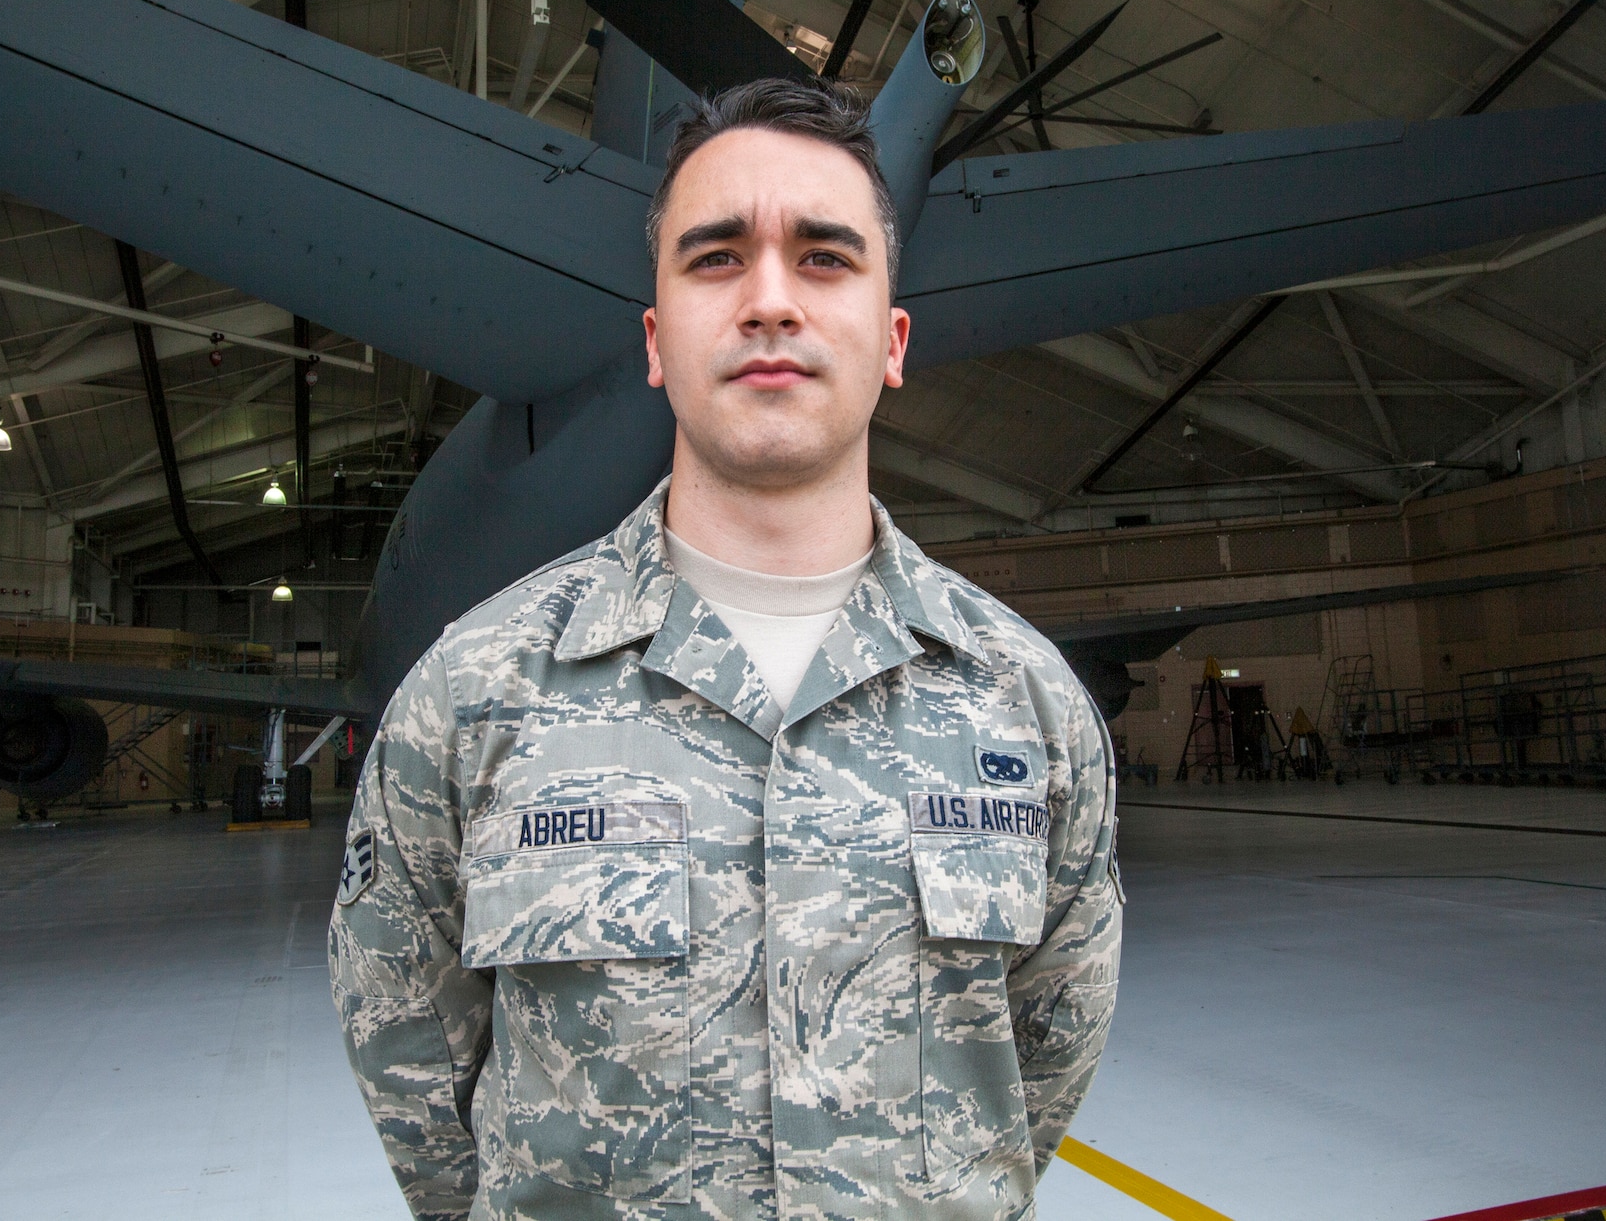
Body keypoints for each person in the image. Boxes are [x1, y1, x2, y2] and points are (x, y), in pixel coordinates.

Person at [330, 78, 1123, 1221]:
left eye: (823, 258)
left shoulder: (1024, 703)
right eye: (713, 258)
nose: (767, 300)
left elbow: (1044, 1053)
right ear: (654, 344)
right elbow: (407, 1053)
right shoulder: (471, 694)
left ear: (892, 341)